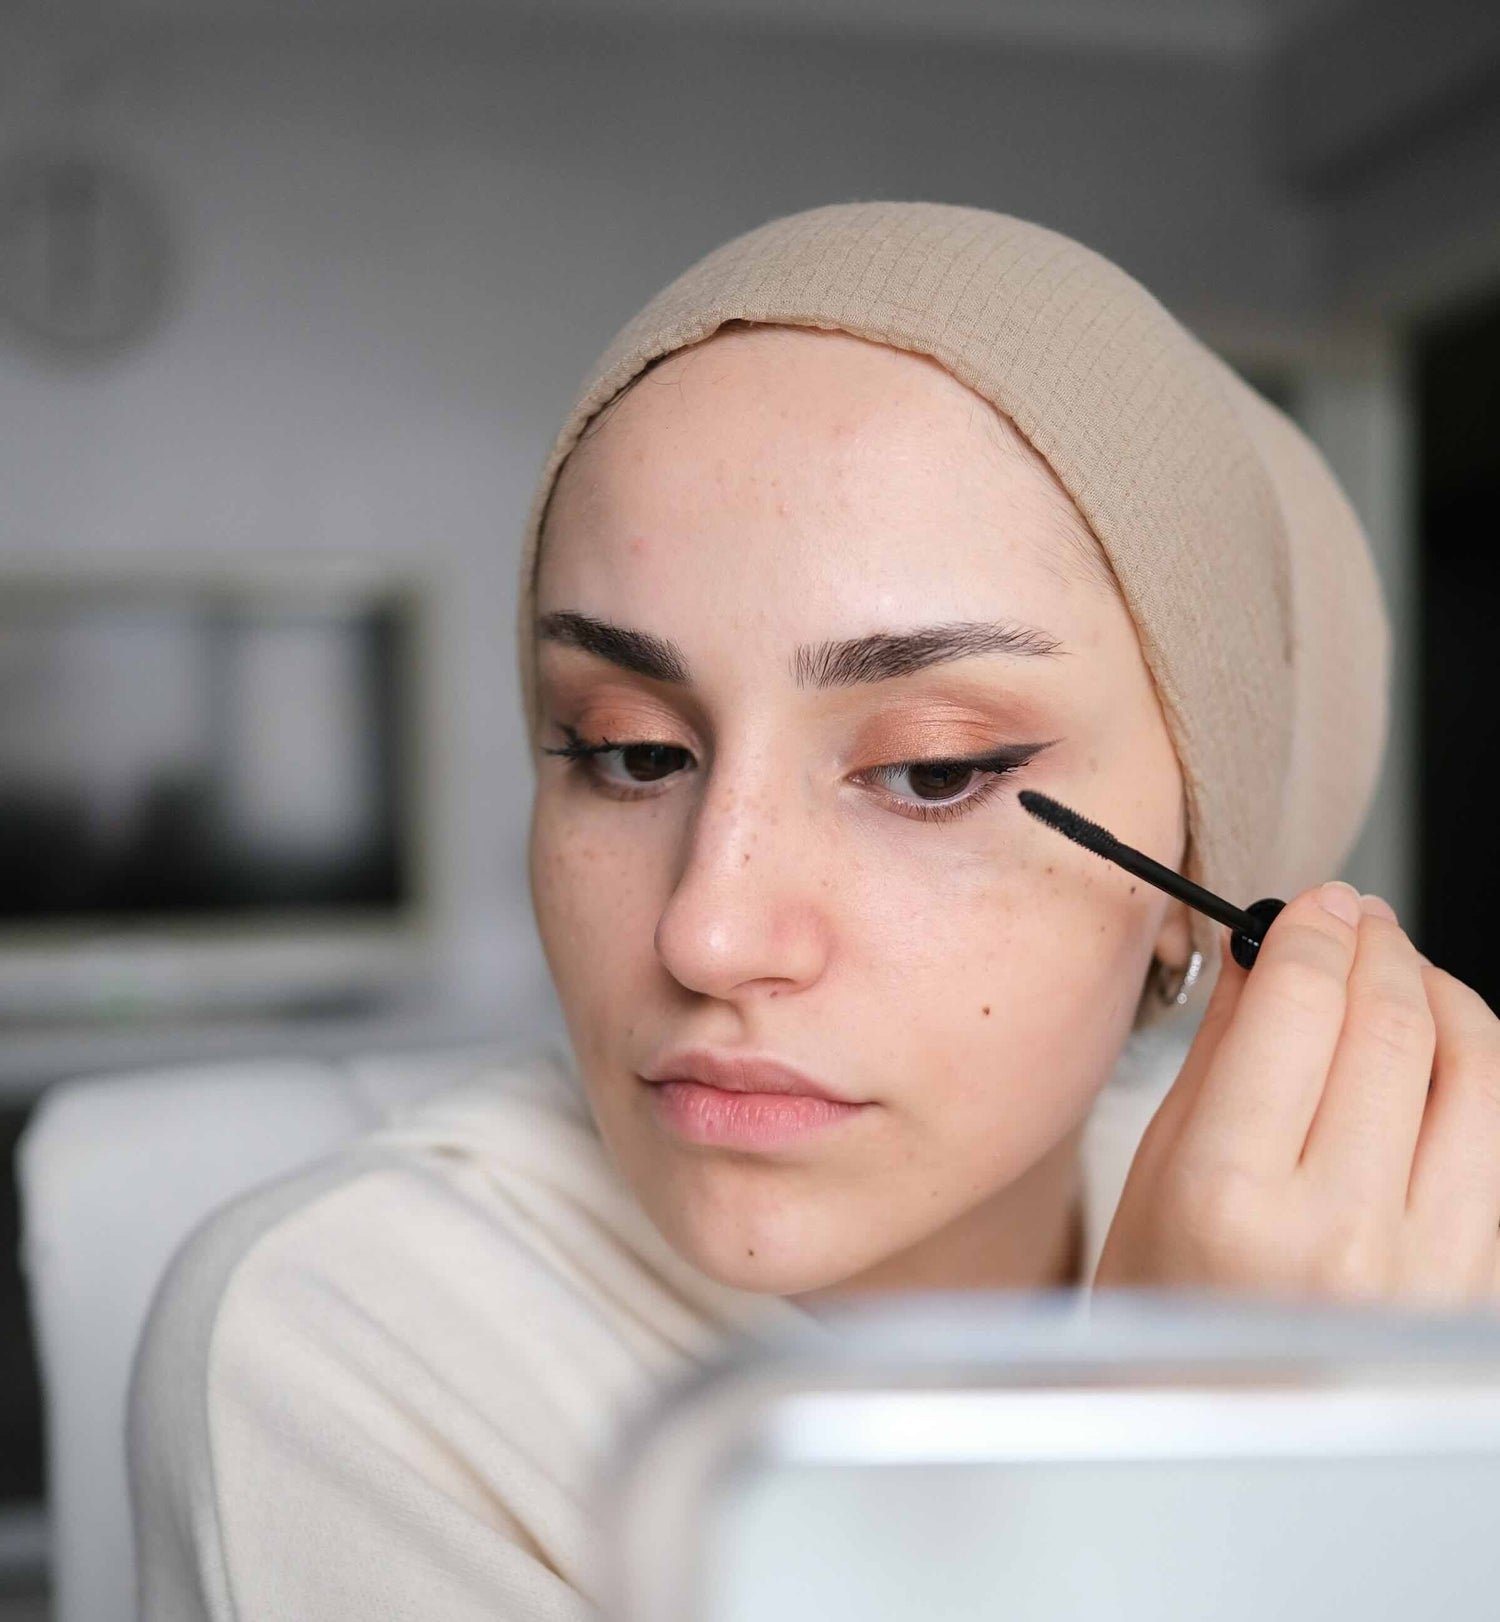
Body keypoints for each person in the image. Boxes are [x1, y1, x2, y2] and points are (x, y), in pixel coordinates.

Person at [128, 200, 1500, 1621]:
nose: (707, 933)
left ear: (1195, 871)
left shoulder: (1355, 1265)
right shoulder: (342, 1341)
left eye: (930, 770)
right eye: (628, 748)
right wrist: (1182, 1478)